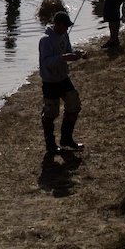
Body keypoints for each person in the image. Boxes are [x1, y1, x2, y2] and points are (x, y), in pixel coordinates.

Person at [38, 11, 86, 153]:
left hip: (63, 78)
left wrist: (77, 53)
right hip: (50, 81)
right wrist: (64, 57)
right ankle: (51, 145)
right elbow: (47, 62)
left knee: (74, 105)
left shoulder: (64, 35)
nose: (67, 29)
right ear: (57, 25)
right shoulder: (46, 40)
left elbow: (68, 51)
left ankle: (66, 139)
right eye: (65, 26)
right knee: (51, 112)